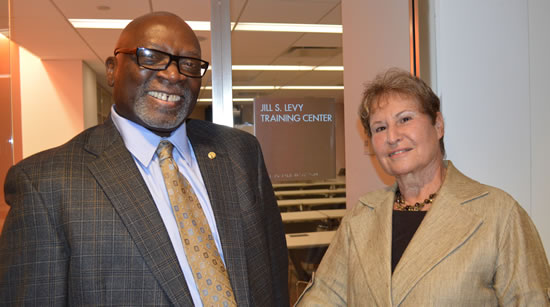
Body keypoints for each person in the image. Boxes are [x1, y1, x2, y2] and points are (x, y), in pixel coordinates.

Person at [0, 12, 289, 306]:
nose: (173, 75)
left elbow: (274, 276)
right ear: (112, 69)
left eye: (188, 64)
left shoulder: (240, 152)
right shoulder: (45, 184)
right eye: (150, 56)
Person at [296, 68, 550, 306]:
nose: (392, 137)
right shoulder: (360, 217)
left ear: (438, 125)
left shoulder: (498, 214)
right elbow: (324, 297)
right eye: (380, 128)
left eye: (405, 119)